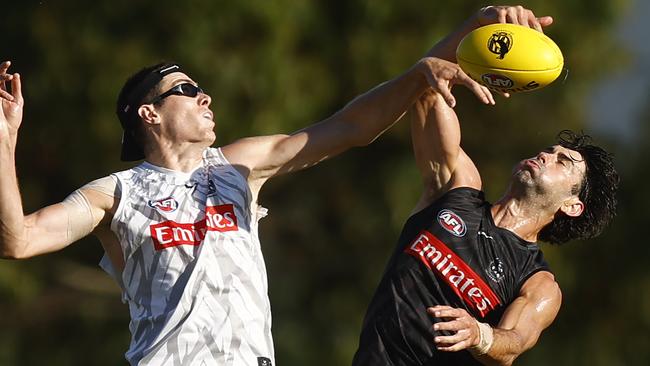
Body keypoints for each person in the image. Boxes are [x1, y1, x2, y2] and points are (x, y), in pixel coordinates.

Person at [0, 5, 529, 365]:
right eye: (187, 90)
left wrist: (467, 34)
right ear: (149, 114)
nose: (205, 97)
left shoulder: (237, 167)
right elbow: (16, 241)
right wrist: (4, 142)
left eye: (203, 89)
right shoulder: (115, 193)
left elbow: (352, 126)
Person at [352, 38, 620, 366]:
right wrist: (484, 26)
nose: (547, 155)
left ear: (572, 205)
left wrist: (480, 333)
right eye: (550, 150)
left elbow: (514, 343)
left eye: (562, 162)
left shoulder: (538, 284)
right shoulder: (456, 189)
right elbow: (426, 92)